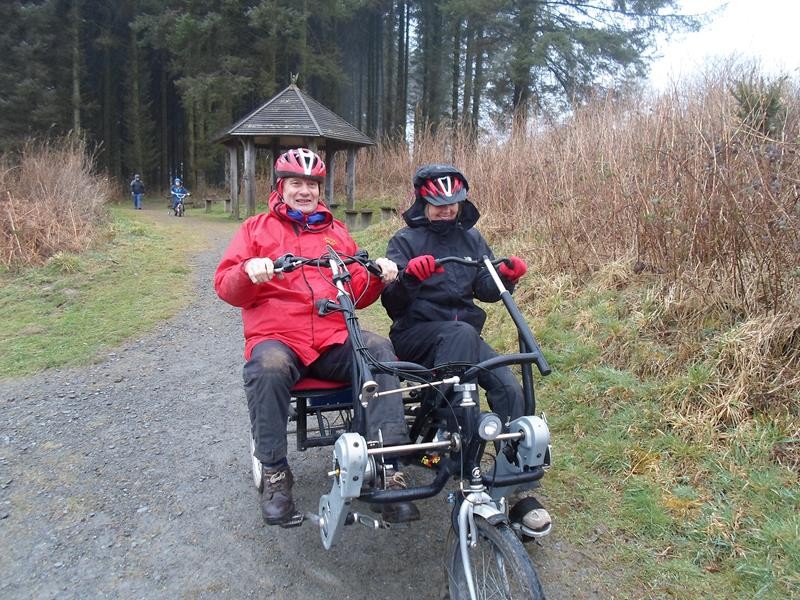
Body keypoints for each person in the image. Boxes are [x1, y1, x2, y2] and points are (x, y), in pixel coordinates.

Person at [214, 148, 419, 526]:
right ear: (281, 187)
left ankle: (388, 467)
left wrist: (377, 275)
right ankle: (275, 474)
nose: (305, 191)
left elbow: (359, 291)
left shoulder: (336, 232)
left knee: (377, 350)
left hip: (331, 336)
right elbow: (226, 287)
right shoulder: (255, 230)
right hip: (278, 337)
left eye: (312, 184)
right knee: (268, 366)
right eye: (296, 183)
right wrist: (248, 270)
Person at [381, 163, 552, 533]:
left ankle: (517, 486)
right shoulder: (404, 242)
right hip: (417, 335)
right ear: (421, 201)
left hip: (464, 338)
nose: (446, 210)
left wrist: (507, 277)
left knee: (509, 387)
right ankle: (453, 443)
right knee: (461, 341)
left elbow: (485, 290)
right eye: (438, 203)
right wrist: (409, 278)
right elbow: (392, 305)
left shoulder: (473, 240)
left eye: (453, 203)